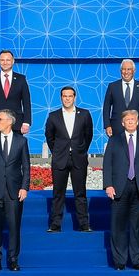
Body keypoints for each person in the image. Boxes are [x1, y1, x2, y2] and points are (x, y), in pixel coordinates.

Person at [103, 109, 139, 270]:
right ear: (122, 122)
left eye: (133, 119)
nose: (130, 122)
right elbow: (107, 164)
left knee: (138, 226)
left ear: (137, 121)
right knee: (118, 225)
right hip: (119, 187)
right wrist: (108, 185)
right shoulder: (114, 140)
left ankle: (137, 260)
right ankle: (119, 261)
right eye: (127, 119)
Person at [0, 109, 30, 271]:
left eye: (0, 119)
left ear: (10, 121)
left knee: (14, 226)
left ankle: (13, 259)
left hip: (14, 191)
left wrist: (24, 188)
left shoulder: (21, 141)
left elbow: (26, 167)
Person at [44, 85, 94, 232]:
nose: (67, 98)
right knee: (58, 193)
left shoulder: (84, 114)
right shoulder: (53, 116)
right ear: (61, 98)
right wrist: (58, 151)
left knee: (80, 193)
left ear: (74, 97)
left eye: (70, 96)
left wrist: (81, 150)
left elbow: (88, 135)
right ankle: (55, 224)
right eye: (64, 96)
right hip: (60, 159)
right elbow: (49, 137)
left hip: (79, 158)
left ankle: (84, 224)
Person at [0, 49, 31, 136]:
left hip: (16, 124)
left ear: (13, 61)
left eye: (8, 60)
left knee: (15, 149)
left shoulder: (21, 79)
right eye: (2, 60)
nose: (5, 62)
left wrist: (26, 122)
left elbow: (26, 103)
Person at [101, 58, 139, 138]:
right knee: (117, 150)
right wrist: (107, 125)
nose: (126, 72)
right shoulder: (112, 86)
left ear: (134, 71)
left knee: (134, 150)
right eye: (123, 69)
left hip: (136, 128)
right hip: (116, 128)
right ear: (120, 71)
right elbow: (106, 107)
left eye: (129, 69)